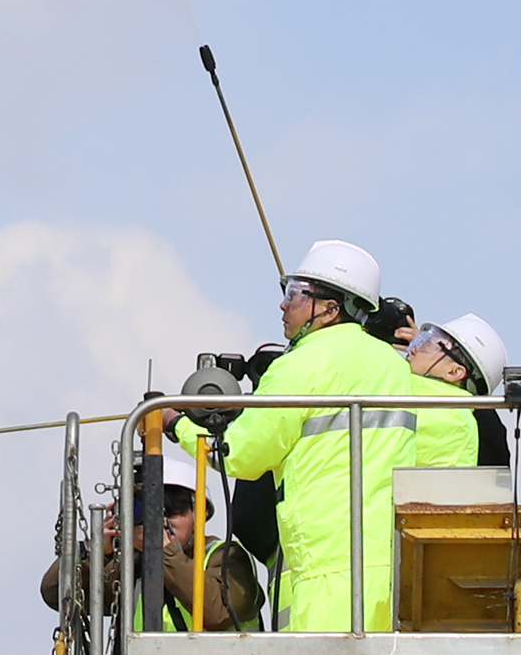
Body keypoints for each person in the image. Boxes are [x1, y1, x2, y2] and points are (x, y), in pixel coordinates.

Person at [168, 241, 439, 634]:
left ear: (330, 308)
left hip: (325, 569)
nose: (284, 305)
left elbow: (240, 454)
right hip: (387, 568)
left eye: (296, 294)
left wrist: (178, 425)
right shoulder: (393, 367)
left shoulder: (297, 367)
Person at [37, 450, 260, 629]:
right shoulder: (131, 570)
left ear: (200, 514)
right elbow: (56, 593)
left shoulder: (225, 556)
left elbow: (218, 611)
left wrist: (165, 552)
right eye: (147, 510)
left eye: (174, 508)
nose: (162, 521)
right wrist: (95, 552)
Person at [407, 313, 511, 467]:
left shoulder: (398, 386)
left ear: (454, 372)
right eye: (423, 339)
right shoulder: (476, 421)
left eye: (429, 344)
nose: (414, 348)